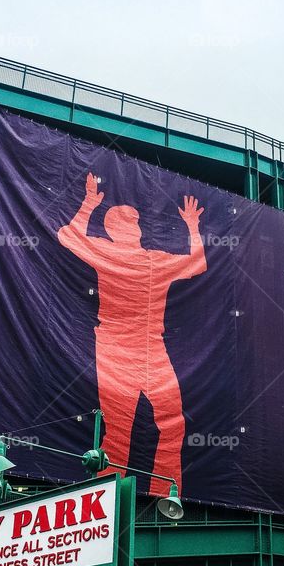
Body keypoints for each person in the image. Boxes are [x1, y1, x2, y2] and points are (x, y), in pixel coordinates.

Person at [58, 172, 207, 496]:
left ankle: (164, 495)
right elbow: (68, 236)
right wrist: (88, 204)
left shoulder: (149, 259)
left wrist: (192, 226)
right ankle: (111, 497)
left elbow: (197, 264)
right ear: (115, 230)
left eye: (134, 223)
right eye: (127, 223)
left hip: (147, 348)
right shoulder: (116, 253)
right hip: (117, 346)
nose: (134, 227)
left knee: (168, 423)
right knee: (120, 430)